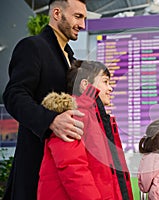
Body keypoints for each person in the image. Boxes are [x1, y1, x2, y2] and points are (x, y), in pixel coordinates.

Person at [2, 0, 87, 199]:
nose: (83, 25)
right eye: (78, 16)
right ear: (57, 13)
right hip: (37, 166)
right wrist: (50, 120)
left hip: (67, 167)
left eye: (84, 18)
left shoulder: (72, 60)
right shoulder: (32, 47)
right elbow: (14, 95)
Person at [38, 60, 134, 200]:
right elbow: (73, 169)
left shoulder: (98, 119)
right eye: (105, 82)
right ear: (85, 85)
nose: (110, 88)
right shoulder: (74, 115)